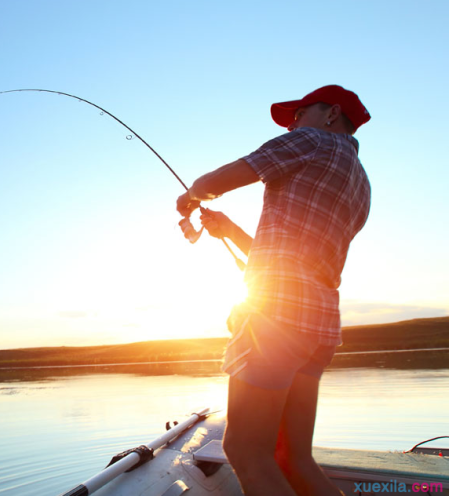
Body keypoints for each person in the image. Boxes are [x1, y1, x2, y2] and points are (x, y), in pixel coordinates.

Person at [176, 85, 371, 496]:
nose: (292, 123)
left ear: (331, 114)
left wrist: (191, 195)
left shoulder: (310, 140)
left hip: (276, 320)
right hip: (318, 325)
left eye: (298, 114)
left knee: (246, 451)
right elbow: (297, 256)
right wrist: (228, 231)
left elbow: (215, 181)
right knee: (294, 459)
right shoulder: (361, 182)